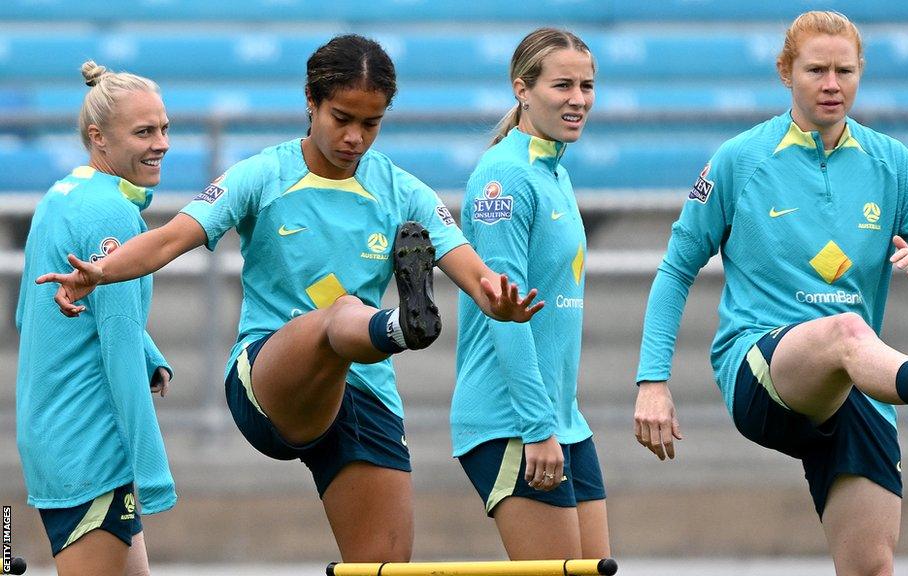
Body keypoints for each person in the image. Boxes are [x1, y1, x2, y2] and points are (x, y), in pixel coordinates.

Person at [37, 34, 542, 563]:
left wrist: (497, 302)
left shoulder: (403, 191)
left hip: (363, 393)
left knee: (384, 569)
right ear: (311, 100)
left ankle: (388, 329)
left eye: (370, 124)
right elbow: (169, 238)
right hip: (268, 378)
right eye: (342, 118)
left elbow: (476, 273)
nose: (354, 137)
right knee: (341, 316)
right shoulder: (264, 174)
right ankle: (395, 328)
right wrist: (102, 271)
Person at [632, 11, 908, 576]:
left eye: (845, 71)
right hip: (761, 368)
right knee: (847, 330)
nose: (832, 84)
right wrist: (652, 380)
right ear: (785, 72)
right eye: (817, 70)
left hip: (857, 386)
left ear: (861, 73)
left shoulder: (891, 162)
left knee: (870, 568)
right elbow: (676, 269)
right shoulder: (740, 160)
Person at [451, 28, 610, 561]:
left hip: (562, 419)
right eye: (562, 84)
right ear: (522, 89)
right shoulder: (504, 177)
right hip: (515, 422)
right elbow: (504, 314)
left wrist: (556, 421)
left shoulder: (553, 170)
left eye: (587, 86)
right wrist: (537, 427)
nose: (578, 99)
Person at [16, 61, 174, 576]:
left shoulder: (62, 194)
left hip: (54, 435)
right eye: (144, 132)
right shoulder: (112, 215)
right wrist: (153, 473)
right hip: (91, 449)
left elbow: (28, 315)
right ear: (98, 138)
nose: (161, 143)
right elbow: (118, 349)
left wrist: (152, 355)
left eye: (164, 128)